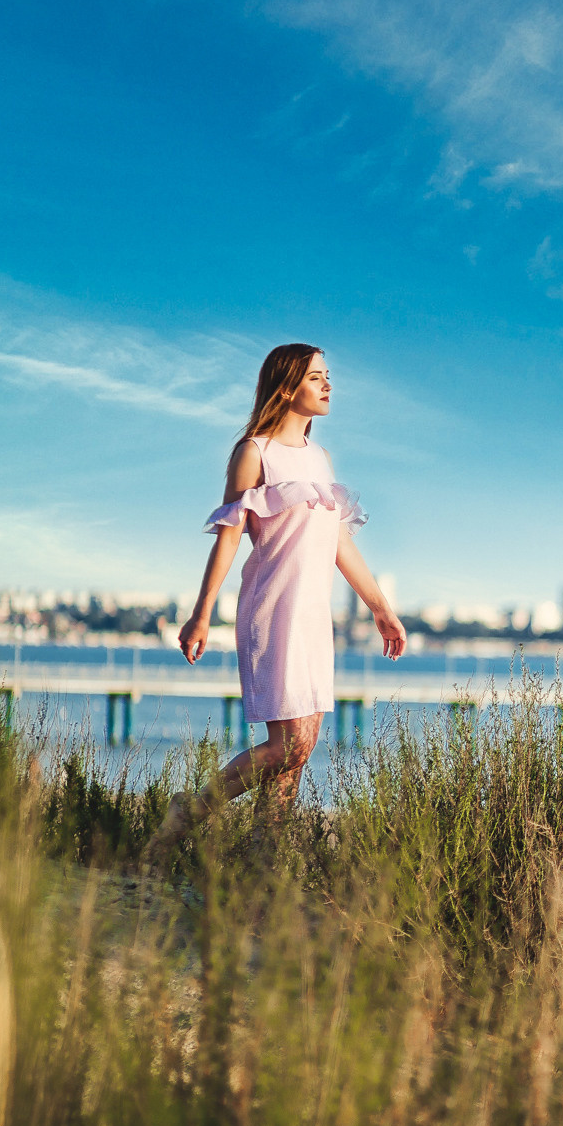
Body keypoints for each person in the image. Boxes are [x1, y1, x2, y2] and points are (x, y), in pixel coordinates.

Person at [146, 343, 406, 859]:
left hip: (313, 615)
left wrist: (381, 609)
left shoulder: (320, 459)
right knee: (288, 745)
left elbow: (339, 542)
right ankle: (189, 813)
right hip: (272, 609)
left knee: (300, 749)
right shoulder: (254, 453)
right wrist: (202, 614)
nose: (328, 385)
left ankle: (263, 861)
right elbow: (228, 538)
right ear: (286, 388)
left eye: (328, 375)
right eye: (315, 377)